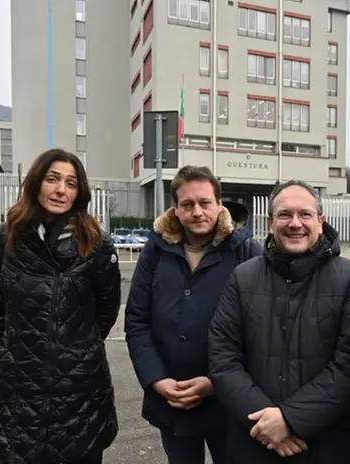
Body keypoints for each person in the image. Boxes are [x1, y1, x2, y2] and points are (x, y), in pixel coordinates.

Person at [208, 180, 350, 464]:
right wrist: (267, 424)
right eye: (285, 215)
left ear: (321, 221)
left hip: (332, 446)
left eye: (305, 214)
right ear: (271, 222)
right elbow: (223, 358)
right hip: (256, 443)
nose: (295, 223)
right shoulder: (242, 277)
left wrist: (290, 419)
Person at [0, 149, 122, 464]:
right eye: (52, 179)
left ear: (79, 192)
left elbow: (106, 311)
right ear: (35, 183)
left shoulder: (96, 243)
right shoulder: (2, 240)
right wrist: (11, 347)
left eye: (71, 183)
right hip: (18, 385)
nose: (61, 190)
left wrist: (75, 348)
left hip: (79, 386)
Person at [124, 165, 263, 464]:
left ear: (219, 205)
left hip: (229, 402)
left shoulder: (247, 252)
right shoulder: (156, 250)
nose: (197, 212)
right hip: (172, 400)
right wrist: (157, 379)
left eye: (204, 203)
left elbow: (261, 330)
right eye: (187, 204)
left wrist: (217, 382)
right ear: (176, 208)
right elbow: (137, 321)